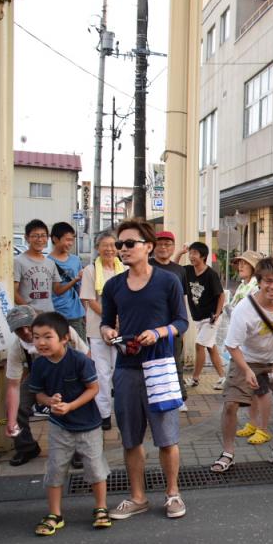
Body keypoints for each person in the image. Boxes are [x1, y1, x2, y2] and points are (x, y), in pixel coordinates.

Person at [101, 218, 189, 520]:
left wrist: (159, 332)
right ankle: (137, 497)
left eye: (129, 244)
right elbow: (105, 321)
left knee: (167, 437)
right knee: (130, 438)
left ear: (147, 247)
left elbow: (182, 322)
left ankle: (172, 494)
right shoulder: (113, 285)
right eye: (119, 245)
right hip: (126, 367)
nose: (122, 249)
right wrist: (105, 332)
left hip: (160, 366)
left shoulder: (168, 281)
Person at [211, 256, 273, 473]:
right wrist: (245, 370)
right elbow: (232, 346)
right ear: (259, 281)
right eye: (268, 281)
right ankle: (228, 452)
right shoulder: (244, 309)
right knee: (231, 404)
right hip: (247, 358)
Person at [27, 312, 111, 535]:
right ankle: (55, 514)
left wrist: (71, 406)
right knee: (55, 468)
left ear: (65, 338)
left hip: (89, 425)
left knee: (95, 468)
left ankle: (101, 508)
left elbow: (94, 389)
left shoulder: (80, 360)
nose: (41, 342)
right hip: (59, 425)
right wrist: (49, 401)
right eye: (36, 337)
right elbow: (39, 395)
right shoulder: (39, 365)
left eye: (47, 336)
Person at [4, 306, 90, 467]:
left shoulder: (64, 331)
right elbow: (13, 386)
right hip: (38, 376)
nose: (26, 332)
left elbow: (86, 356)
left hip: (68, 373)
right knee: (16, 405)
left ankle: (78, 449)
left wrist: (86, 383)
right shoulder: (18, 347)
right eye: (18, 330)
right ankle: (26, 447)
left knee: (71, 406)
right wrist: (11, 420)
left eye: (28, 326)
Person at [79, 231, 125, 430]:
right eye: (105, 245)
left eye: (113, 245)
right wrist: (110, 319)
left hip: (122, 329)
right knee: (102, 373)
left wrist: (119, 321)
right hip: (97, 329)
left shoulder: (123, 269)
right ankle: (104, 414)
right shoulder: (90, 270)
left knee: (120, 372)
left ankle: (123, 413)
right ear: (98, 248)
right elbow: (89, 300)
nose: (109, 249)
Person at [222, 251, 267, 438]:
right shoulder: (244, 285)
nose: (240, 266)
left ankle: (262, 429)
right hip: (243, 346)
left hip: (256, 345)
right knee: (253, 388)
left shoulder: (257, 287)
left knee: (261, 388)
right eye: (239, 263)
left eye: (245, 264)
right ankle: (253, 423)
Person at [150, 231, 191, 409]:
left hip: (174, 324)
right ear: (153, 246)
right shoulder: (146, 265)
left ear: (173, 247)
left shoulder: (179, 270)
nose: (163, 247)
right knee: (152, 361)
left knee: (175, 360)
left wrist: (183, 321)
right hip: (151, 323)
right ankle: (152, 396)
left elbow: (182, 298)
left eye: (168, 244)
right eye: (160, 244)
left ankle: (179, 397)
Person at [184, 242, 227, 388]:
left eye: (195, 253)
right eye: (190, 253)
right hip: (198, 317)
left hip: (211, 318)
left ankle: (195, 378)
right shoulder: (188, 271)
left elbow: (221, 296)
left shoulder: (211, 274)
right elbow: (173, 271)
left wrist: (216, 313)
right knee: (210, 346)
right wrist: (180, 253)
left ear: (203, 256)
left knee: (199, 345)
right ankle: (223, 377)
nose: (191, 256)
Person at [14, 219, 63, 313]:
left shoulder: (50, 263)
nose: (40, 239)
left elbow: (57, 289)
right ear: (27, 238)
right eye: (35, 236)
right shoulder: (18, 261)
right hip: (29, 317)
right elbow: (14, 292)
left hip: (49, 314)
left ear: (48, 238)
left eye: (43, 235)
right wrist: (31, 312)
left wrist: (76, 278)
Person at [47, 222, 86, 339]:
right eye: (67, 240)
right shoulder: (47, 262)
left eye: (72, 240)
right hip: (56, 314)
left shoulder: (75, 260)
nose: (70, 243)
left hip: (76, 314)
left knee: (80, 350)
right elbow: (57, 290)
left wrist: (85, 311)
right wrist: (76, 279)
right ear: (55, 239)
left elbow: (80, 288)